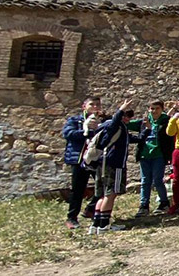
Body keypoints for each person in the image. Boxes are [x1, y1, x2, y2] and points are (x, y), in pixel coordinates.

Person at [89, 99, 135, 234]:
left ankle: (96, 224)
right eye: (126, 115)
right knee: (111, 193)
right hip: (114, 165)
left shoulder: (104, 126)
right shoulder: (115, 125)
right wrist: (121, 109)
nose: (128, 119)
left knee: (103, 194)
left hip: (102, 163)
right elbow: (114, 123)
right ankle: (104, 225)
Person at [62, 95, 103, 229]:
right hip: (80, 159)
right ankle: (72, 218)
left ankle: (90, 209)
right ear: (84, 107)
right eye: (92, 104)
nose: (95, 107)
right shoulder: (75, 120)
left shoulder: (103, 121)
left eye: (97, 105)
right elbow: (68, 134)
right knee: (78, 190)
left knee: (103, 186)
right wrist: (87, 132)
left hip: (96, 159)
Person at [133, 100, 172, 217]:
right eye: (152, 108)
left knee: (157, 180)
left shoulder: (166, 121)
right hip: (144, 155)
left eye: (157, 108)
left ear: (162, 109)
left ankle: (164, 203)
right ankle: (144, 205)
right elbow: (126, 123)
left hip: (158, 155)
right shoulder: (143, 122)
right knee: (145, 181)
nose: (154, 111)